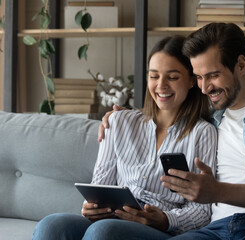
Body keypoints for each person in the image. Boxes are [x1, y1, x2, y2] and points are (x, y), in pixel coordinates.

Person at [100, 23, 245, 240]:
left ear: (241, 65)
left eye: (213, 75)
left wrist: (218, 191)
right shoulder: (210, 120)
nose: (204, 87)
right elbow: (165, 113)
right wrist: (121, 116)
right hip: (215, 229)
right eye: (199, 77)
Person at [33, 35, 217, 240]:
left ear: (192, 80)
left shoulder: (203, 133)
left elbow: (202, 211)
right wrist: (92, 207)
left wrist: (165, 219)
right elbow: (100, 185)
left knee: (102, 232)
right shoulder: (119, 121)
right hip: (112, 218)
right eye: (154, 76)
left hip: (158, 228)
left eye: (172, 77)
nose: (161, 85)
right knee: (51, 226)